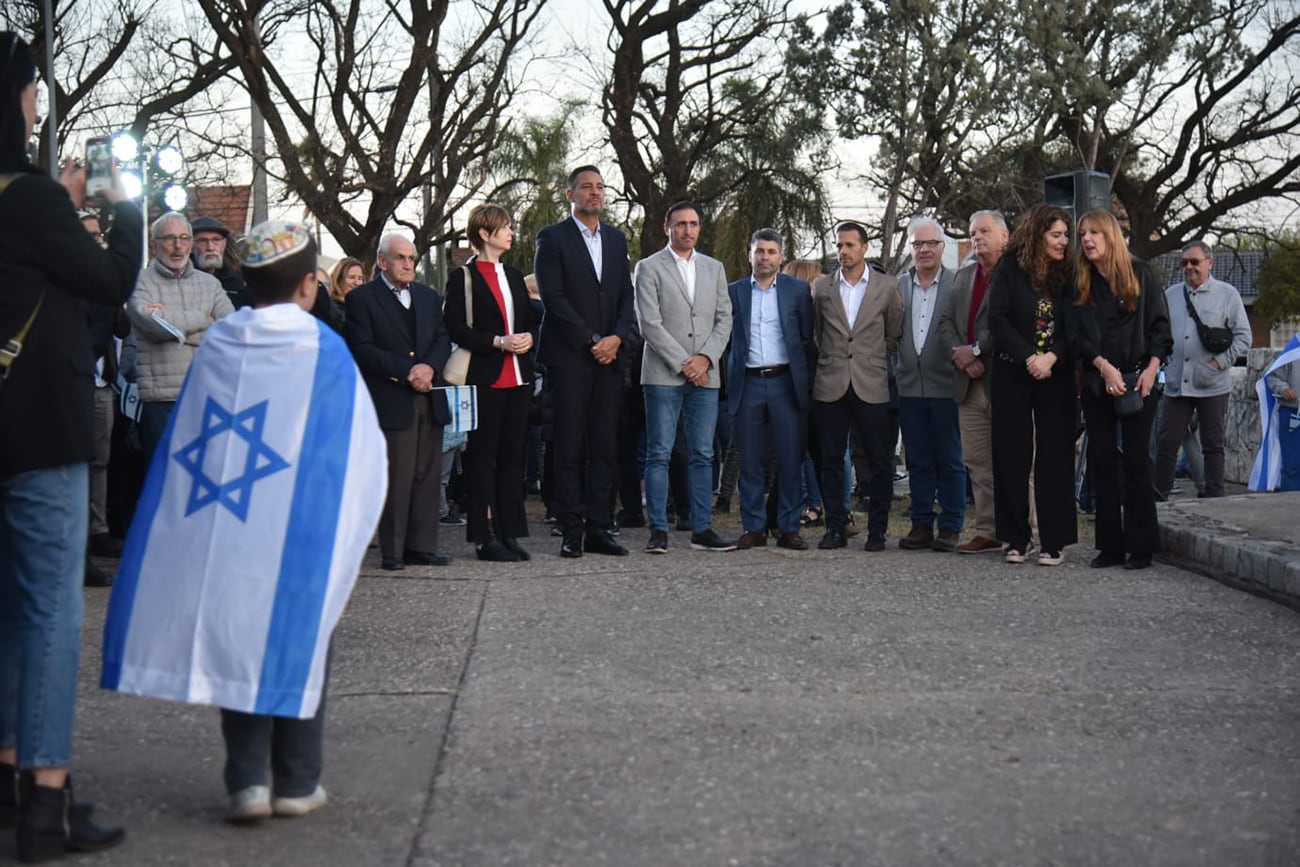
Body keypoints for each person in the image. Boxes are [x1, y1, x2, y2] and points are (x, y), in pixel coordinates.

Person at [101, 220, 385, 825]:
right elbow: (359, 446)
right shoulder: (323, 350)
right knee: (301, 637)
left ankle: (247, 782)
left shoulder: (222, 343)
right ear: (310, 285)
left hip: (226, 519)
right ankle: (298, 781)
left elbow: (193, 439)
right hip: (299, 528)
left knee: (233, 635)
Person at [0, 30, 141, 860]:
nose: (35, 105)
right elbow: (111, 280)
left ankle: (11, 772)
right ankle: (47, 797)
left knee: (7, 614)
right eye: (28, 91)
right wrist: (122, 201)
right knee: (49, 610)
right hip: (40, 430)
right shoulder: (30, 200)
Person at [533, 166, 637, 558]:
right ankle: (571, 529)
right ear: (570, 194)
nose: (594, 193)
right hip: (570, 358)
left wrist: (615, 338)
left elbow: (626, 296)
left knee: (605, 446)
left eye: (599, 187)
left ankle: (599, 527)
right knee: (569, 447)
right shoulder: (553, 238)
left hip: (610, 359)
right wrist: (591, 340)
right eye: (586, 187)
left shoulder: (615, 239)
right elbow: (553, 297)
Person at [1065, 209, 1172, 570]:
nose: (1088, 240)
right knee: (1103, 462)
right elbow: (1077, 337)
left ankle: (1142, 546)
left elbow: (1161, 329)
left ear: (1111, 236)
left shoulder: (1141, 274)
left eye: (1095, 232)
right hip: (1099, 383)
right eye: (1082, 235)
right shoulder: (1081, 283)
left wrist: (1151, 370)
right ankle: (1110, 545)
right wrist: (1104, 368)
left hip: (1141, 382)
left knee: (1139, 462)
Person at [346, 234, 452, 571]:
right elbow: (362, 348)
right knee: (396, 475)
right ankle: (392, 551)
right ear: (381, 261)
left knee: (427, 474)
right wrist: (407, 371)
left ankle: (422, 546)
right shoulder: (362, 299)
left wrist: (429, 368)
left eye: (412, 258)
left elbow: (442, 337)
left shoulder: (428, 296)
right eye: (401, 258)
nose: (409, 264)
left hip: (429, 395)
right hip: (391, 398)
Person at [635, 201, 734, 554]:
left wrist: (706, 358)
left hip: (706, 375)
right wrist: (684, 362)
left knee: (703, 453)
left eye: (693, 224)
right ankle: (658, 529)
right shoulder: (648, 267)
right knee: (659, 452)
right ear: (668, 227)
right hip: (663, 373)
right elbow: (649, 323)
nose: (687, 230)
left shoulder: (714, 268)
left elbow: (725, 318)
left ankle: (702, 528)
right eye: (680, 224)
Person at [443, 204, 538, 561]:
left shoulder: (514, 275)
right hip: (485, 378)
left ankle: (510, 531)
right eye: (505, 227)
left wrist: (527, 337)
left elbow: (529, 319)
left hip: (518, 377)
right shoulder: (462, 277)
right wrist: (498, 342)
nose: (511, 232)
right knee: (484, 458)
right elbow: (454, 326)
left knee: (513, 457)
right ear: (484, 233)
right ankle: (484, 538)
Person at [987, 203, 1077, 566]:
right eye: (1056, 234)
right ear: (1037, 234)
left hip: (1055, 374)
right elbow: (998, 319)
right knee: (1011, 454)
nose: (1063, 241)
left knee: (1055, 455)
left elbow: (1076, 323)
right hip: (1013, 371)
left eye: (1066, 236)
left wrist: (1051, 357)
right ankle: (1015, 538)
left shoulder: (1070, 272)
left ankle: (1053, 541)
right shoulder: (1010, 268)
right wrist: (1029, 357)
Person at [810, 222, 903, 552]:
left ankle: (877, 530)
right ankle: (835, 526)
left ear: (864, 248)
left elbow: (893, 333)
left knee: (878, 460)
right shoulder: (822, 287)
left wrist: (870, 359)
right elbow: (818, 333)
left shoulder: (887, 287)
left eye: (850, 245)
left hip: (871, 381)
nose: (843, 251)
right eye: (839, 245)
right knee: (831, 459)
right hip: (831, 382)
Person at [726, 229, 814, 551]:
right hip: (747, 382)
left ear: (781, 256)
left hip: (785, 382)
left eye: (771, 251)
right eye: (759, 251)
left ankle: (788, 527)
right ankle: (754, 527)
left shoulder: (798, 291)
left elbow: (806, 338)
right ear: (750, 255)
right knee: (750, 459)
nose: (765, 257)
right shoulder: (734, 291)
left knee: (791, 457)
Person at [127, 211, 234, 463]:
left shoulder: (210, 284)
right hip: (161, 401)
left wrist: (175, 328)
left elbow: (230, 331)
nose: (178, 246)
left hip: (206, 394)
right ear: (154, 244)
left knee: (207, 477)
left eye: (185, 238)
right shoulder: (138, 283)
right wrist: (204, 320)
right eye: (170, 238)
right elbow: (154, 326)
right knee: (165, 482)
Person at [1154, 240, 1252, 499]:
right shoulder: (1171, 294)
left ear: (1209, 263)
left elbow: (1244, 337)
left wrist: (1218, 364)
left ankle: (1214, 498)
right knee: (1166, 443)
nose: (1189, 267)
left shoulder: (1228, 294)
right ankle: (1158, 498)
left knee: (1213, 445)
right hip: (1176, 384)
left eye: (1194, 262)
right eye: (1184, 262)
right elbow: (1159, 333)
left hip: (1212, 384)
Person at [938, 209, 1009, 554]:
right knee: (977, 461)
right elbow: (946, 323)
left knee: (1014, 459)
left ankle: (1024, 529)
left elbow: (1010, 323)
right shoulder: (963, 276)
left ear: (1004, 237)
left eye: (984, 231)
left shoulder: (1015, 274)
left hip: (1004, 380)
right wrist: (961, 355)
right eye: (972, 231)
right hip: (968, 384)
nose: (976, 237)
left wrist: (978, 352)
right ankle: (988, 528)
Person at [894, 217, 965, 552]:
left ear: (942, 247)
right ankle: (921, 523)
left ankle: (951, 525)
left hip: (946, 387)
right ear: (910, 249)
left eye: (931, 244)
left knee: (950, 459)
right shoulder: (898, 286)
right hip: (909, 388)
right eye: (917, 244)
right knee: (917, 460)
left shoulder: (958, 284)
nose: (924, 250)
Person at [1250, 336, 1300, 493]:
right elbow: (1272, 376)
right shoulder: (1294, 348)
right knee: (1292, 464)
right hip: (1293, 412)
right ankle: (1289, 503)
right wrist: (1284, 389)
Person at [190, 215, 247, 309]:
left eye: (216, 240)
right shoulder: (180, 280)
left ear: (224, 243)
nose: (210, 247)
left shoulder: (237, 280)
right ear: (190, 246)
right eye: (202, 241)